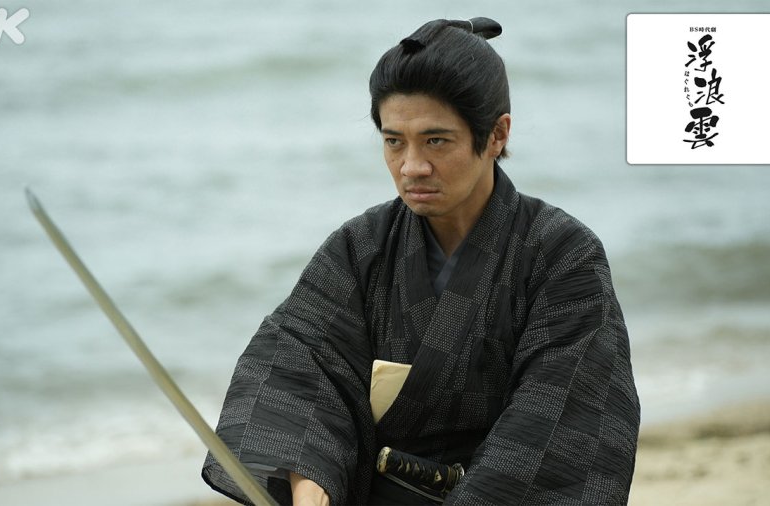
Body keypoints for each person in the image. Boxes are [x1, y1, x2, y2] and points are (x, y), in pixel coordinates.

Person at [202, 17, 640, 505]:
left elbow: (557, 422)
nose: (411, 166)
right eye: (394, 141)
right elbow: (296, 366)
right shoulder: (360, 247)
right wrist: (309, 481)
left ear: (496, 135)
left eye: (436, 141)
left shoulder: (561, 255)